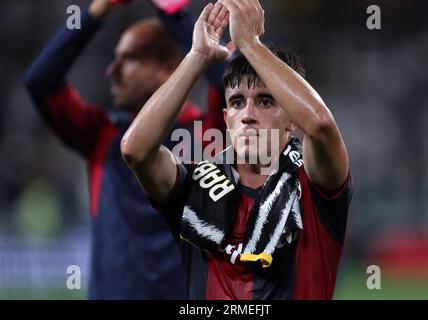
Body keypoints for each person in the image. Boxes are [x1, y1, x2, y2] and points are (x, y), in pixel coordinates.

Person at [122, 0, 353, 300]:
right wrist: (198, 56)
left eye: (266, 101)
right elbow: (134, 149)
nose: (248, 114)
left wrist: (249, 44)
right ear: (226, 118)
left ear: (292, 120)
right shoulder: (194, 187)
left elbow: (320, 125)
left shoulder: (313, 186)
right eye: (237, 102)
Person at [23, 0, 226, 299]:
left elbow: (229, 82)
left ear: (167, 70)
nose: (112, 70)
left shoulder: (207, 133)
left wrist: (172, 14)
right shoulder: (102, 133)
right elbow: (40, 82)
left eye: (128, 59)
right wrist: (92, 15)